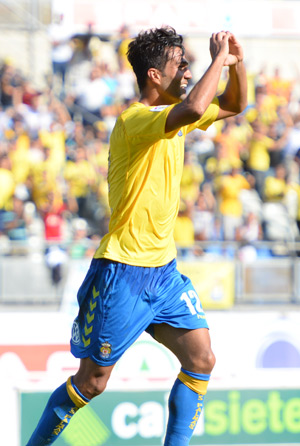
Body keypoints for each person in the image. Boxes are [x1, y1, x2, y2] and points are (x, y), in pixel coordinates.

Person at [26, 26, 247, 445]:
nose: (186, 69)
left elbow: (234, 104)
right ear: (154, 76)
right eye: (178, 64)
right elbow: (196, 104)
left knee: (201, 359)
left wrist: (237, 62)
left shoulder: (175, 119)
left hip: (163, 272)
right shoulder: (136, 119)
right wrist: (218, 58)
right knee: (91, 383)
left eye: (187, 62)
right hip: (123, 272)